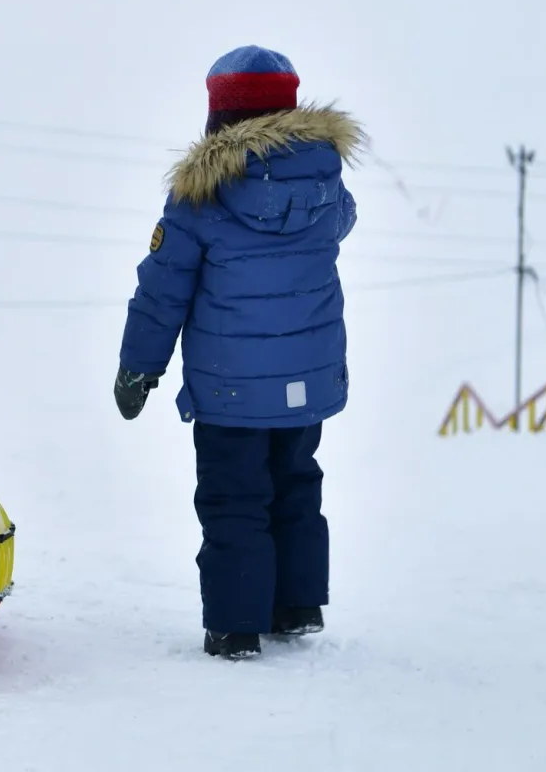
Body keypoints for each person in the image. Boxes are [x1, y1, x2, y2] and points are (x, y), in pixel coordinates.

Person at [114, 46, 361, 662]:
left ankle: (235, 625)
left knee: (233, 499)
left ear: (219, 112)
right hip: (306, 378)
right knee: (297, 483)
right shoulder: (326, 181)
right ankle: (297, 606)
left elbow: (162, 287)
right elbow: (344, 222)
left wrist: (140, 365)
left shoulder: (200, 195)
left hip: (230, 387)